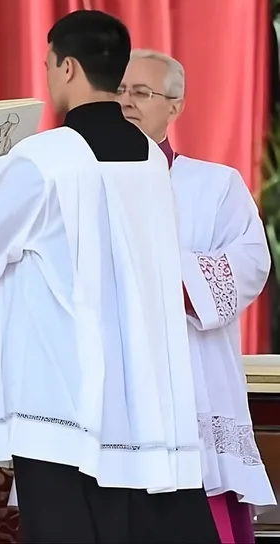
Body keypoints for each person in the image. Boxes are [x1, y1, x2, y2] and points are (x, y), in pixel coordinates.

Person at [0, 10, 222, 543]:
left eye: (50, 64)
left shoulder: (44, 159)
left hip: (63, 404)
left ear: (70, 68)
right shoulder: (150, 157)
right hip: (144, 399)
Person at [120, 48, 275, 542]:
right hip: (114, 395)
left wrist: (158, 272)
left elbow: (251, 262)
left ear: (176, 106)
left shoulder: (215, 185)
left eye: (141, 93)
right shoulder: (83, 184)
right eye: (119, 91)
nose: (127, 103)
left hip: (192, 389)